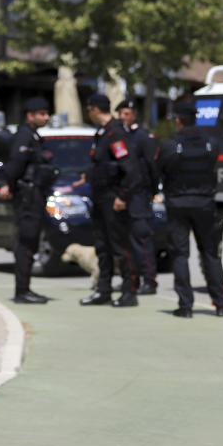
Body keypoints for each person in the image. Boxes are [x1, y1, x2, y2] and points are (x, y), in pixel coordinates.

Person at [155, 101, 223, 318]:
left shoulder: (170, 145)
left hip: (177, 204)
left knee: (180, 254)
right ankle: (221, 304)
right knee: (210, 253)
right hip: (204, 203)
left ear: (177, 120)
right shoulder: (210, 144)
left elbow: (158, 169)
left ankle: (185, 306)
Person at [77, 93, 142, 307]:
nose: (89, 114)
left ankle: (128, 292)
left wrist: (123, 196)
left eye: (89, 110)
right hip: (100, 196)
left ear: (95, 109)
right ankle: (103, 290)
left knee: (121, 247)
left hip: (114, 197)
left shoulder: (116, 133)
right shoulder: (103, 133)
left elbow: (130, 169)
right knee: (102, 245)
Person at [0, 97, 58, 304]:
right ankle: (22, 291)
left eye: (47, 113)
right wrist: (10, 184)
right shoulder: (24, 137)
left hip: (34, 196)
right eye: (42, 113)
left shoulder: (34, 137)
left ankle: (25, 288)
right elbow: (16, 164)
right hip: (27, 197)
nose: (46, 117)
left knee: (31, 243)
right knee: (26, 242)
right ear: (30, 116)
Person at [116, 97, 159, 295]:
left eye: (126, 114)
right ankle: (132, 279)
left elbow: (152, 166)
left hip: (139, 194)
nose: (122, 117)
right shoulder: (119, 135)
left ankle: (149, 280)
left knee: (141, 237)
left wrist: (153, 191)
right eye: (120, 114)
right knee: (126, 239)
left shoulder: (142, 136)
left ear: (134, 115)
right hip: (124, 194)